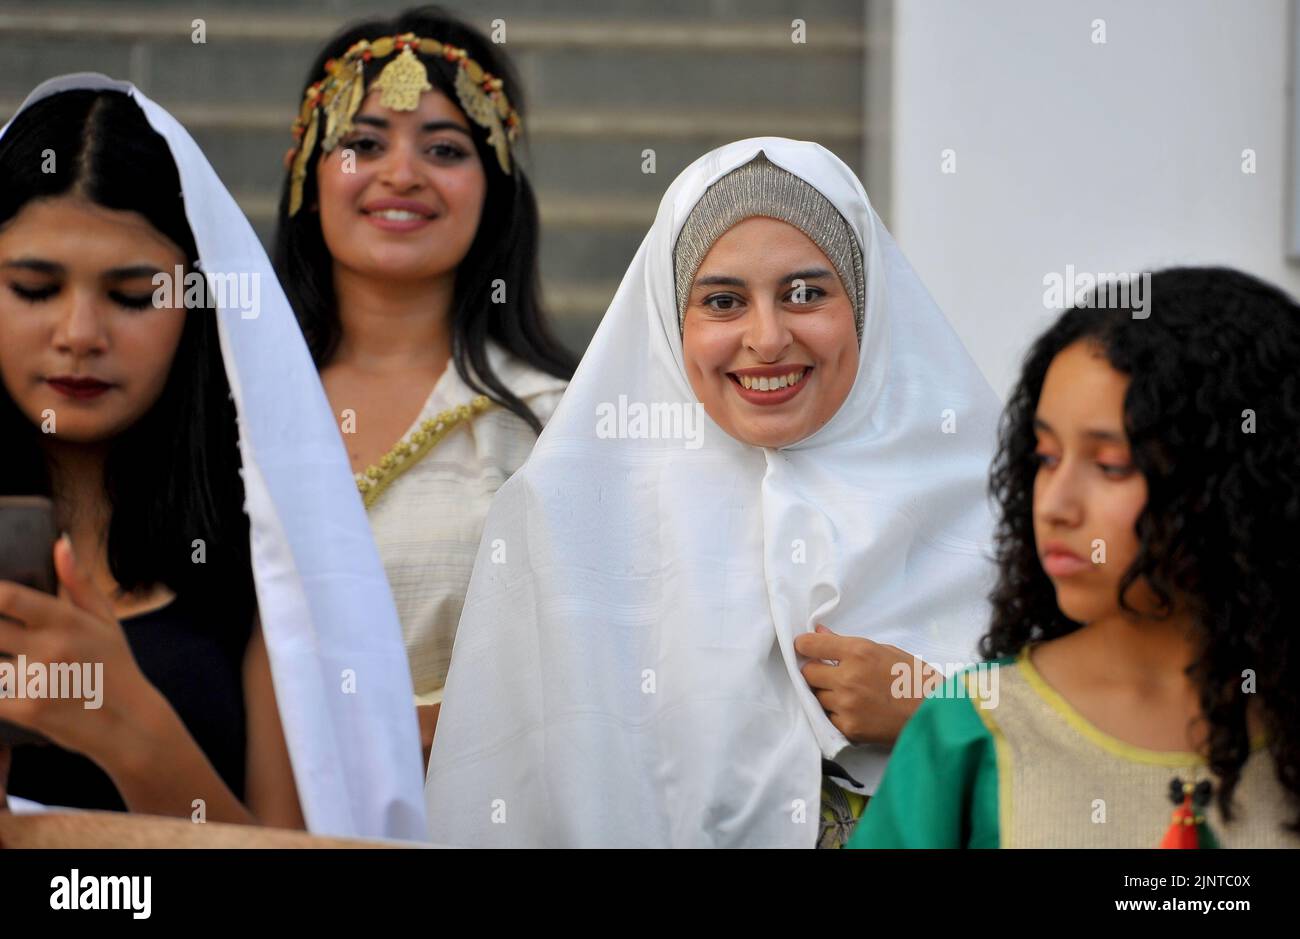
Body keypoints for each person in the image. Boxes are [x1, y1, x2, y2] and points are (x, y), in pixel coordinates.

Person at [425, 137, 1003, 847]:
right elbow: (500, 795)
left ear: (867, 303)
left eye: (806, 293)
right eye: (723, 300)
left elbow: (1118, 739)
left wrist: (938, 707)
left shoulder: (992, 499)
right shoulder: (568, 519)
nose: (766, 338)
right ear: (671, 322)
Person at [0, 74, 427, 841]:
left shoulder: (263, 561)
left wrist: (126, 723)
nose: (80, 332)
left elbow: (298, 854)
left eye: (133, 295)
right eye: (35, 287)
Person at [850, 268, 1300, 848]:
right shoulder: (973, 732)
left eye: (1111, 465)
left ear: (1242, 483)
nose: (1055, 506)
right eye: (1045, 457)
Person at [273, 7, 575, 762]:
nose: (400, 174)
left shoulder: (555, 426)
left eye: (444, 149)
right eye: (363, 144)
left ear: (494, 189)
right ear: (310, 176)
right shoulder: (227, 401)